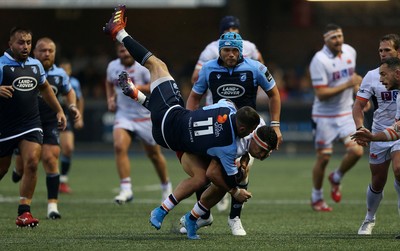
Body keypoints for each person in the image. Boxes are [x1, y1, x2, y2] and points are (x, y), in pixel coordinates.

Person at [103, 5, 261, 239]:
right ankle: (172, 212)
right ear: (244, 130)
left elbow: (202, 107)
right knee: (202, 178)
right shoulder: (229, 148)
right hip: (171, 139)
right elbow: (220, 176)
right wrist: (235, 190)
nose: (262, 151)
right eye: (262, 148)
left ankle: (121, 35)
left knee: (157, 65)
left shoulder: (227, 107)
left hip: (172, 123)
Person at [185, 32, 282, 235]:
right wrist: (190, 121)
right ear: (220, 50)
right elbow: (194, 97)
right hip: (216, 129)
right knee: (203, 173)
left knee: (240, 171)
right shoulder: (208, 69)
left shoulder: (256, 68)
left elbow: (274, 94)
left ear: (241, 51)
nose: (230, 54)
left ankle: (235, 218)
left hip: (249, 129)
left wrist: (275, 125)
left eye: (235, 50)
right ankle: (203, 216)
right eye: (226, 50)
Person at [0, 27, 67, 227]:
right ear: (10, 44)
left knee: (31, 162)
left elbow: (45, 88)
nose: (25, 46)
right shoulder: (1, 65)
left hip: (31, 123)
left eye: (28, 42)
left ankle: (24, 212)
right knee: (2, 170)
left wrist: (59, 110)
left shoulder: (36, 65)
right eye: (21, 42)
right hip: (5, 126)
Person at [12, 37, 81, 219]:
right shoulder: (26, 70)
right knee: (24, 166)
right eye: (42, 50)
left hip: (49, 122)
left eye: (50, 51)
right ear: (34, 52)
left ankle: (52, 207)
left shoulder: (60, 74)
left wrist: (72, 106)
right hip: (25, 122)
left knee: (50, 160)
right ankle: (17, 169)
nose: (47, 54)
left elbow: (69, 91)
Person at [105, 42, 172, 204]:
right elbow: (108, 82)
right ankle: (126, 189)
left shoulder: (143, 67)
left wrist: (136, 87)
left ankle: (166, 186)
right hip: (124, 114)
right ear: (117, 52)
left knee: (154, 155)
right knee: (119, 146)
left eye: (127, 51)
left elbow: (157, 84)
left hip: (144, 115)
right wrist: (110, 99)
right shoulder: (112, 66)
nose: (125, 54)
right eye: (121, 51)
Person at [309, 23, 364, 211]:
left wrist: (359, 95)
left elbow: (354, 81)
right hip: (324, 116)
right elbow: (321, 93)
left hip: (346, 112)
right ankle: (316, 197)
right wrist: (349, 84)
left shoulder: (350, 52)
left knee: (357, 151)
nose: (338, 40)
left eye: (340, 36)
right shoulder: (319, 60)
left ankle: (337, 177)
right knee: (324, 158)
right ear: (325, 40)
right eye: (333, 37)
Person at [352, 34, 400, 235]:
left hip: (392, 133)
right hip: (383, 131)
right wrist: (362, 129)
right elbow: (359, 106)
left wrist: (372, 136)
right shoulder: (373, 75)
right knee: (378, 180)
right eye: (380, 50)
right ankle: (369, 218)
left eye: (387, 50)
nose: (382, 54)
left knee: (399, 170)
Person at [58, 59, 85, 194]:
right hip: (46, 118)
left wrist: (79, 117)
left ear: (70, 71)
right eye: (62, 68)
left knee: (68, 148)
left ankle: (62, 181)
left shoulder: (74, 83)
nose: (64, 72)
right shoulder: (50, 78)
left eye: (66, 69)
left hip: (64, 118)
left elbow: (79, 99)